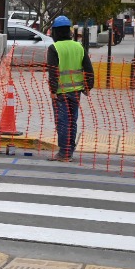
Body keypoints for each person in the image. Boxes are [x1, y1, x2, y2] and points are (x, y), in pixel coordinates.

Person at [46, 15, 96, 162]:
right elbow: (89, 69)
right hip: (76, 91)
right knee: (72, 121)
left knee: (62, 122)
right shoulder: (79, 47)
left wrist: (53, 91)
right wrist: (88, 87)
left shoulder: (54, 48)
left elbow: (53, 72)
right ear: (68, 31)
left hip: (60, 93)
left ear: (55, 32)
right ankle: (69, 151)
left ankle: (64, 153)